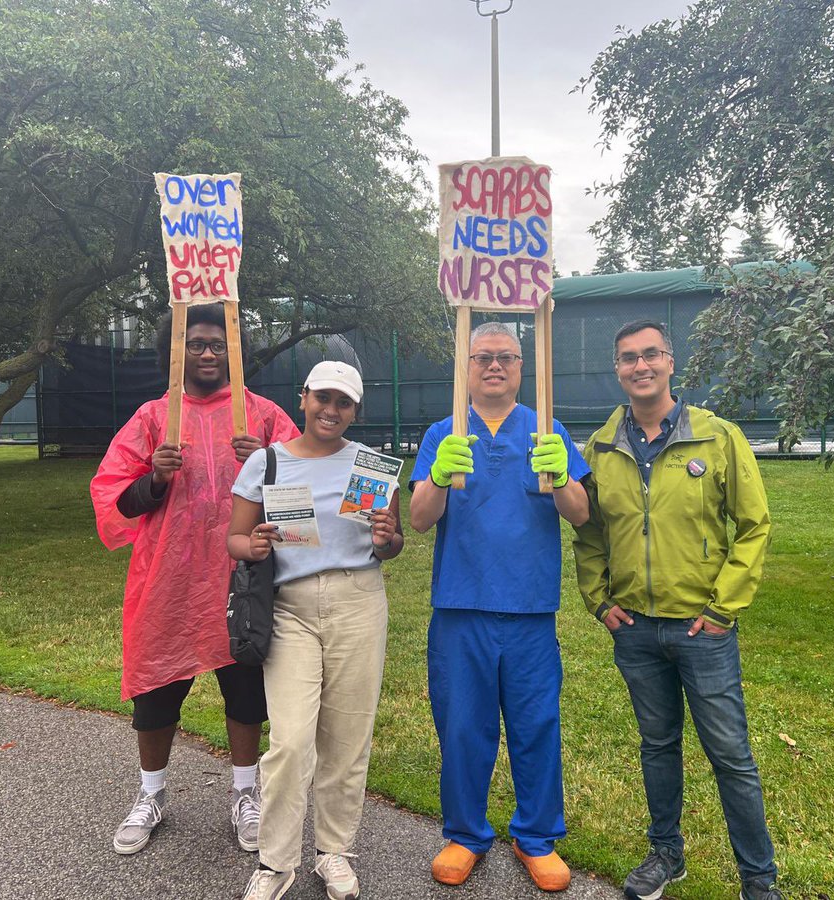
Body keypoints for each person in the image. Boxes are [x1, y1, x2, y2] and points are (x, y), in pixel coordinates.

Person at [572, 320, 782, 900]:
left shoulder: (717, 438)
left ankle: (758, 880)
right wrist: (599, 600)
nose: (640, 367)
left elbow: (754, 525)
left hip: (702, 629)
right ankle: (667, 854)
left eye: (650, 355)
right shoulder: (602, 447)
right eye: (627, 358)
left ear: (670, 362)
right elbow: (589, 532)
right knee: (658, 746)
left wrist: (723, 609)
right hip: (635, 629)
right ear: (616, 370)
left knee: (731, 756)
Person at [90, 303, 299, 856]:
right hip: (169, 582)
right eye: (196, 344)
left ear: (235, 353)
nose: (207, 353)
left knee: (247, 691)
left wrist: (271, 461)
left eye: (218, 345)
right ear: (175, 352)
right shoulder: (154, 418)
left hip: (244, 578)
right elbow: (113, 494)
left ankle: (246, 793)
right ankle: (151, 794)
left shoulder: (263, 415)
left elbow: (304, 493)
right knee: (156, 691)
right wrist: (155, 479)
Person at [409, 322, 590, 893]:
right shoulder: (445, 431)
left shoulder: (547, 428)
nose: (494, 366)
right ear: (465, 366)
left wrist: (561, 474)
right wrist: (439, 476)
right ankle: (464, 834)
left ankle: (536, 838)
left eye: (506, 357)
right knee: (463, 726)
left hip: (531, 608)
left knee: (537, 725)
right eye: (482, 357)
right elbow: (418, 518)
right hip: (461, 607)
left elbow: (581, 513)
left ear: (521, 366)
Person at [229, 361, 404, 900]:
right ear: (303, 399)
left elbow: (390, 546)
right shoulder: (268, 461)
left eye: (343, 403)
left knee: (347, 738)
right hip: (290, 606)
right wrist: (253, 544)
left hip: (358, 599)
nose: (331, 410)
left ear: (356, 410)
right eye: (322, 398)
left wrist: (387, 536)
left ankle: (334, 851)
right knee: (291, 740)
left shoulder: (371, 466)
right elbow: (235, 539)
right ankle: (276, 861)